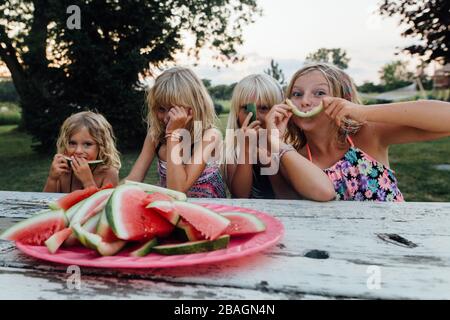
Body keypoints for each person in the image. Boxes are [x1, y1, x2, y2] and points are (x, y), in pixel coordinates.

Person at [270, 62, 450, 201]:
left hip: (395, 241)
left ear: (343, 100)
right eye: (297, 94)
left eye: (319, 93)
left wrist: (362, 112)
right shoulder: (293, 157)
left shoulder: (369, 134)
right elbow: (289, 204)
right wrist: (276, 143)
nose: (305, 101)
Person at [225, 73, 335, 201]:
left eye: (264, 108)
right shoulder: (232, 151)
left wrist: (271, 158)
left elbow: (288, 197)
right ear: (236, 112)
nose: (255, 117)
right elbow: (240, 196)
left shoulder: (292, 148)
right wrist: (247, 149)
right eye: (247, 108)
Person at [126, 66, 226, 198]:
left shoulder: (210, 135)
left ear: (193, 108)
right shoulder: (155, 135)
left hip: (210, 209)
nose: (167, 117)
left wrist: (173, 135)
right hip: (171, 210)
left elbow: (178, 189)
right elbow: (133, 180)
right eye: (161, 109)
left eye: (174, 110)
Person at [43, 111, 121, 193]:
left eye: (87, 144)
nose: (78, 151)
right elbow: (46, 202)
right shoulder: (63, 170)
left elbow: (104, 205)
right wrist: (52, 179)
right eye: (72, 143)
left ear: (102, 147)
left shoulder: (109, 173)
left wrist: (88, 182)